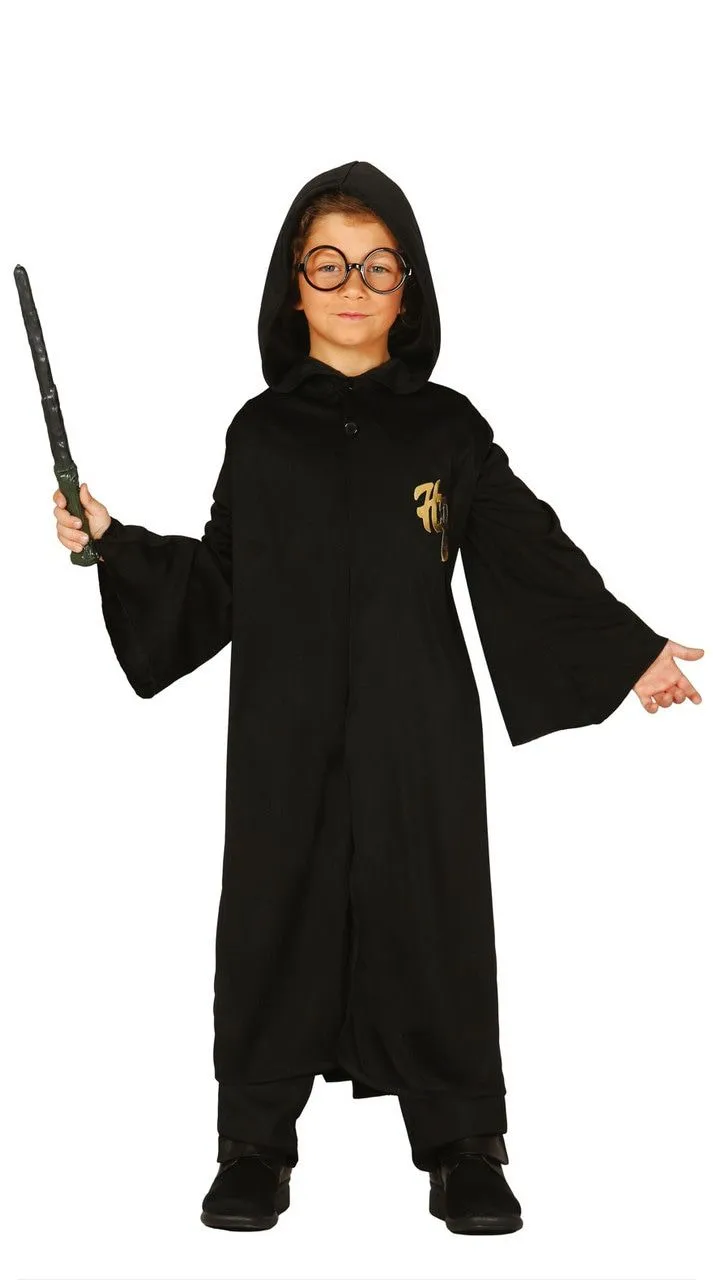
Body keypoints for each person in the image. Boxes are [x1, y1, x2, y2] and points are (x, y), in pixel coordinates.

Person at [53, 160, 703, 1235]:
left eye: (376, 266)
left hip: (417, 726)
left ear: (409, 287)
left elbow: (522, 544)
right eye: (327, 264)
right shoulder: (259, 434)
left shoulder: (446, 427)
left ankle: (463, 1144)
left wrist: (622, 649)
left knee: (434, 906)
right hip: (284, 726)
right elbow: (221, 580)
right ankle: (254, 1143)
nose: (351, 285)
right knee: (272, 909)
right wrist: (115, 543)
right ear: (292, 285)